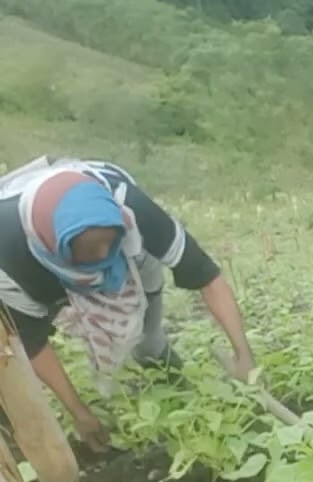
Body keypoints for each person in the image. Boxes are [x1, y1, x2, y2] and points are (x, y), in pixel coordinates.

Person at [0, 156, 255, 451]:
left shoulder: (128, 207)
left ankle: (172, 381)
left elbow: (206, 275)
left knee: (148, 341)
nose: (103, 257)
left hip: (133, 263)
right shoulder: (10, 260)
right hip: (39, 270)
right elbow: (32, 342)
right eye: (89, 252)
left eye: (110, 243)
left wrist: (244, 354)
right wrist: (79, 412)